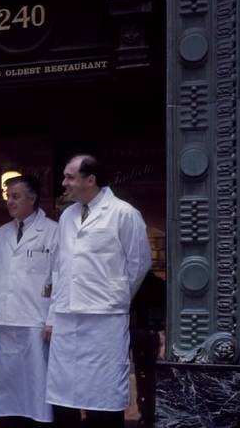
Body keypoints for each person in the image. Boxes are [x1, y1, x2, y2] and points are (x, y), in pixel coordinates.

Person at [46, 155, 152, 427]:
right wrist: (52, 315)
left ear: (90, 179)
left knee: (103, 394)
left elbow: (139, 263)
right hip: (67, 316)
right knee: (64, 393)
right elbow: (59, 267)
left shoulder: (123, 213)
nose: (64, 183)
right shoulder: (68, 216)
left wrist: (114, 296)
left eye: (70, 177)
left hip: (105, 319)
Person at [0, 175, 57, 426]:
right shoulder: (2, 234)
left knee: (38, 382)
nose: (10, 202)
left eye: (16, 196)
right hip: (5, 319)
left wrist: (53, 317)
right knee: (8, 383)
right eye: (8, 197)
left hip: (37, 319)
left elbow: (59, 277)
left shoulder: (52, 231)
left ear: (32, 198)